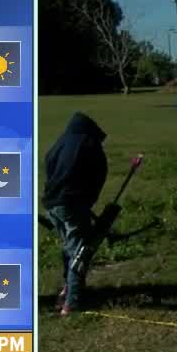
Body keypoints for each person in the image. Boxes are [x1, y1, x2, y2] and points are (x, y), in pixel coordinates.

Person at [42, 112, 108, 317]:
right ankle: (72, 304)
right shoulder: (89, 144)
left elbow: (48, 166)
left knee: (69, 248)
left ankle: (67, 290)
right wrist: (87, 201)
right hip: (72, 205)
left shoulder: (60, 143)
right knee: (79, 253)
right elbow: (99, 174)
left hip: (52, 204)